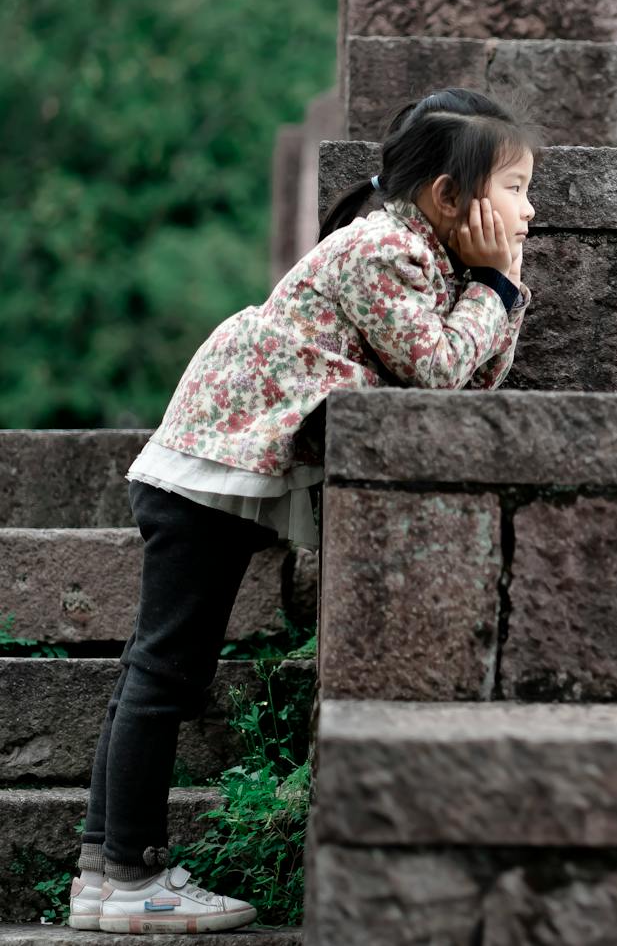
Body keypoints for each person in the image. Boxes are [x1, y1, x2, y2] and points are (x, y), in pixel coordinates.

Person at [71, 88, 540, 933]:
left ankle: (104, 872)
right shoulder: (383, 251)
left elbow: (468, 386)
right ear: (447, 195)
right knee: (165, 670)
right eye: (513, 186)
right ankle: (128, 873)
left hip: (221, 460)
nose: (527, 207)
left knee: (160, 667)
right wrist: (500, 287)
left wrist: (491, 290)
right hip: (212, 463)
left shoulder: (424, 259)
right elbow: (437, 373)